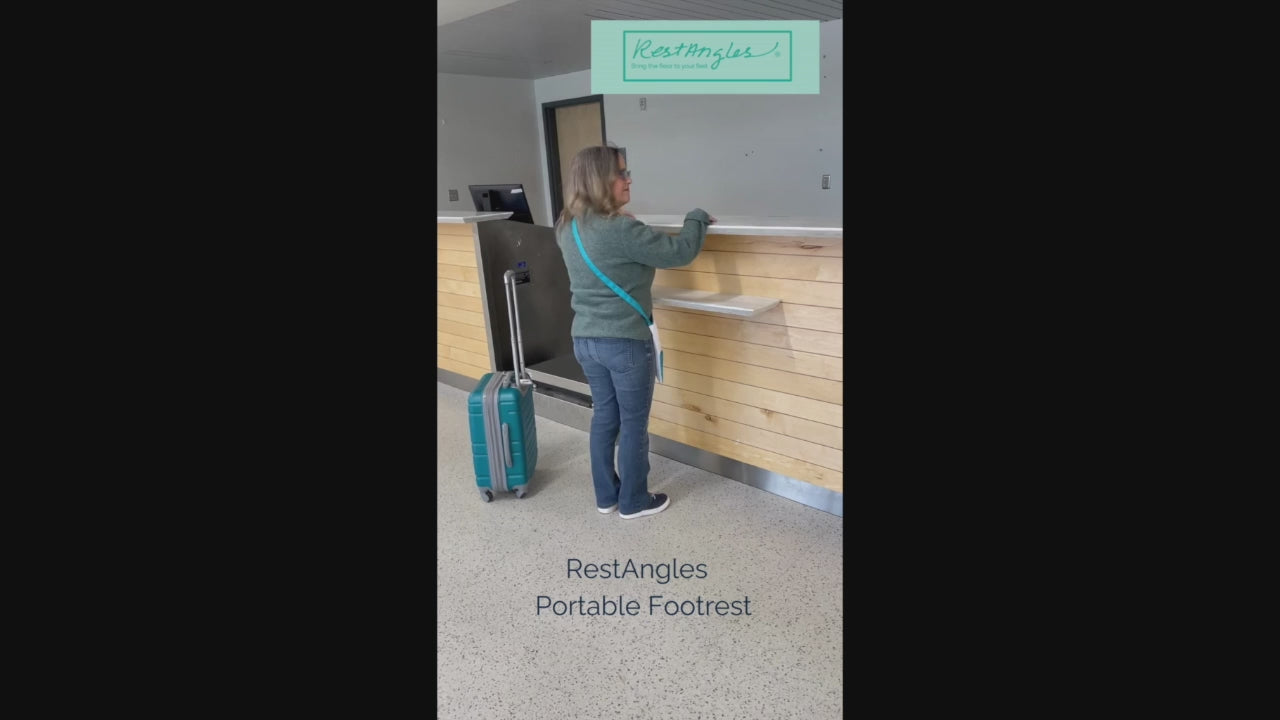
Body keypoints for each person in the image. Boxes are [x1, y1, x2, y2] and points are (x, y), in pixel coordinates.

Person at [554, 145, 715, 519]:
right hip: (624, 341)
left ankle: (606, 497)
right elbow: (680, 252)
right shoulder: (621, 228)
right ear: (599, 180)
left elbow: (606, 249)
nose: (629, 180)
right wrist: (696, 217)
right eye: (622, 173)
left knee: (604, 418)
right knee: (633, 425)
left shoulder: (567, 227)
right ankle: (634, 501)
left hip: (584, 339)